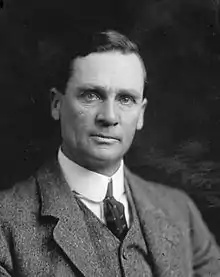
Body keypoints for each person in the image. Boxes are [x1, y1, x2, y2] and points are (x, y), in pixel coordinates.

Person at [0, 29, 220, 277]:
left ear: (141, 114)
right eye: (91, 95)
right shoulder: (5, 225)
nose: (109, 117)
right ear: (57, 103)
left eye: (126, 99)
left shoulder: (181, 211)